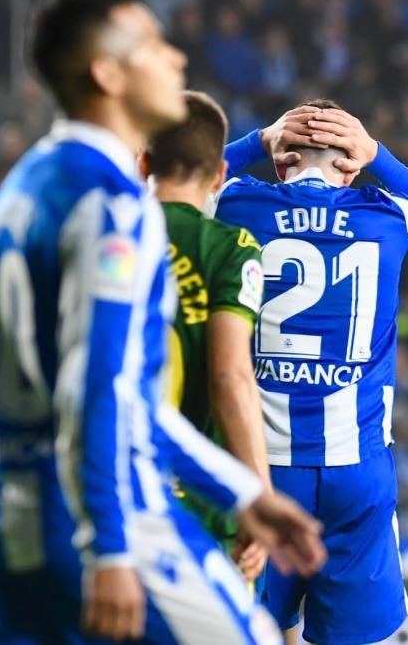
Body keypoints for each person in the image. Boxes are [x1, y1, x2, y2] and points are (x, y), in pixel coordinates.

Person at [0, 0, 324, 644]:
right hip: (98, 515)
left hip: (5, 513)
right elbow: (97, 388)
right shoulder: (114, 206)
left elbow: (102, 389)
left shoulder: (24, 186)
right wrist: (109, 547)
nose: (176, 58)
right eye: (154, 46)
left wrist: (242, 492)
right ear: (107, 74)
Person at [210, 100, 408, 644]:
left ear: (283, 162)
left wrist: (257, 140)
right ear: (349, 167)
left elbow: (162, 186)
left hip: (263, 471)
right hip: (357, 469)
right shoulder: (385, 215)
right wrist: (379, 154)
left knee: (248, 632)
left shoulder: (238, 203)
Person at [137, 90, 271, 582]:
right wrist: (260, 497)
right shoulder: (230, 249)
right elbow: (230, 375)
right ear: (219, 176)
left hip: (109, 511)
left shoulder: (96, 237)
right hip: (204, 519)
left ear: (143, 160)